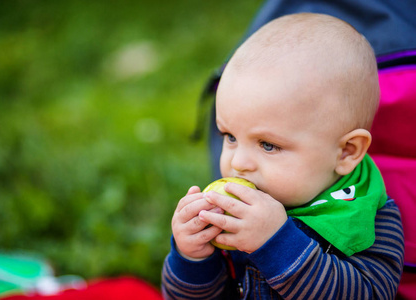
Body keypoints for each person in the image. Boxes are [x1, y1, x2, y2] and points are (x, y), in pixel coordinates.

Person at [162, 13, 404, 299]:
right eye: (230, 137)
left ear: (346, 152)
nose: (238, 162)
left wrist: (277, 244)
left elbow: (370, 295)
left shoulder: (369, 218)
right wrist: (192, 258)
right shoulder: (233, 212)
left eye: (267, 145)